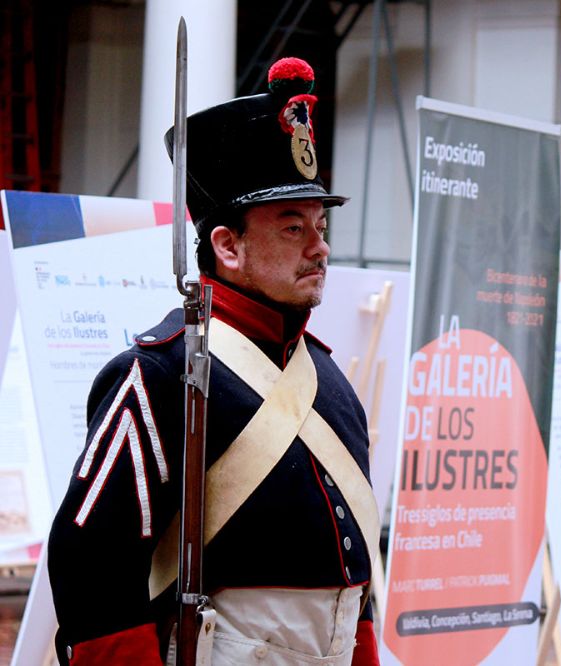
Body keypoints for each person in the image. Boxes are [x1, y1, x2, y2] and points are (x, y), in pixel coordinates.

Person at [47, 58, 380, 665]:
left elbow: (352, 585)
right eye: (291, 227)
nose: (320, 246)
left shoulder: (327, 378)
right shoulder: (158, 374)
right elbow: (92, 567)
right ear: (227, 245)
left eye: (320, 224)